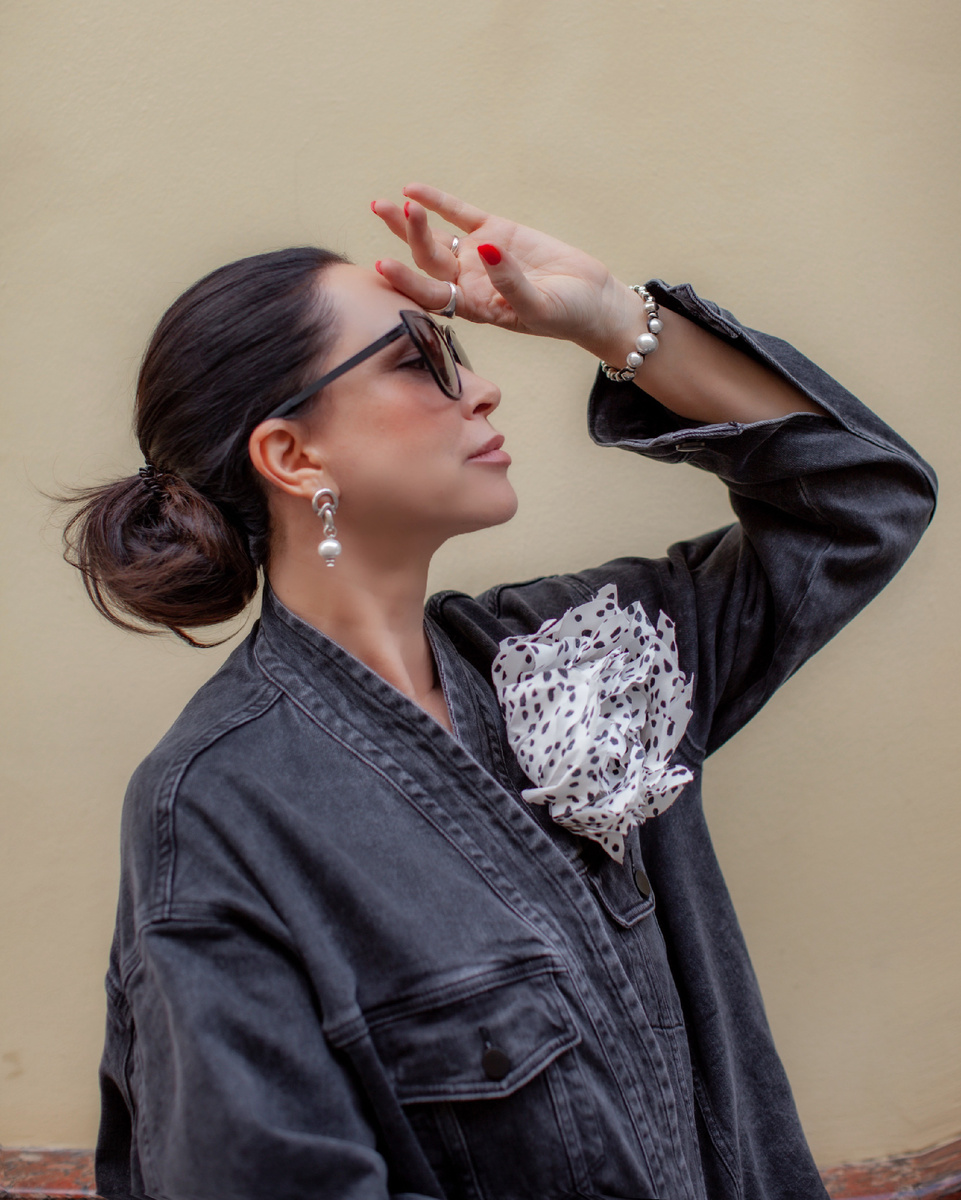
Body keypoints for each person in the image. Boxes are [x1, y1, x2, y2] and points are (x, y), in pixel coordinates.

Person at [64, 184, 935, 1200]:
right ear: (293, 456)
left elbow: (862, 501)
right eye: (419, 362)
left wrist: (612, 320)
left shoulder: (587, 647)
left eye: (459, 355)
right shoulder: (220, 806)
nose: (481, 391)